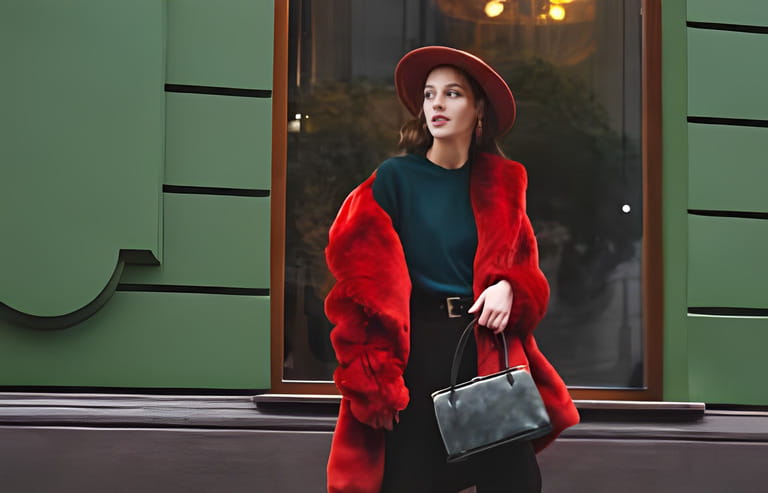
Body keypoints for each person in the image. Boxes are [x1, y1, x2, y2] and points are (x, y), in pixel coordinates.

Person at [324, 46, 579, 493]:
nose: (437, 104)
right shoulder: (394, 179)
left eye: (453, 93)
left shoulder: (503, 182)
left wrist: (509, 289)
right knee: (411, 481)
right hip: (418, 350)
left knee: (514, 480)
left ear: (478, 108)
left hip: (485, 349)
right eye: (429, 94)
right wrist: (373, 375)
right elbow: (356, 286)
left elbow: (528, 274)